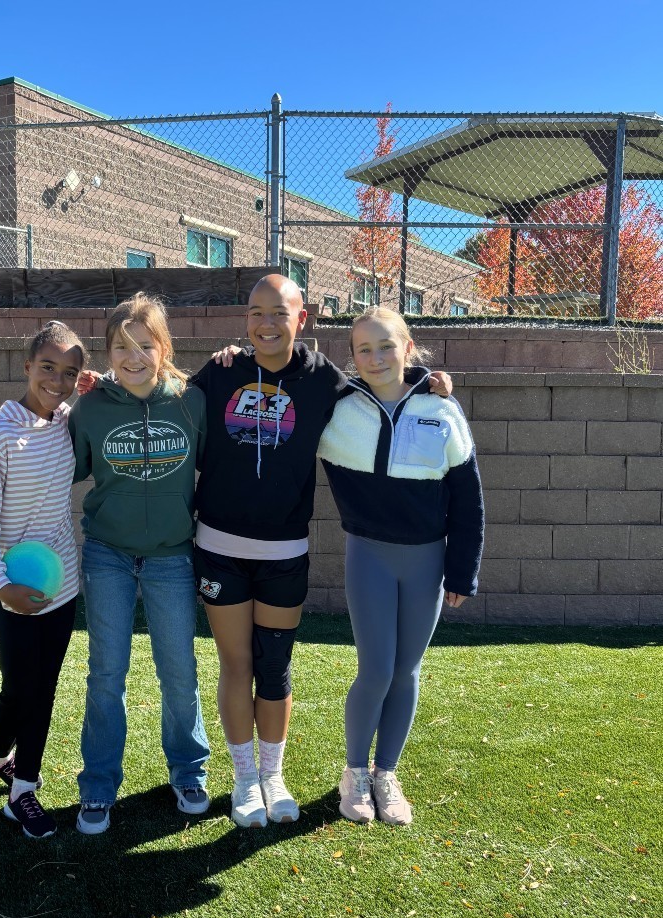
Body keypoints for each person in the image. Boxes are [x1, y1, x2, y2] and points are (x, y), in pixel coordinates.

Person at [192, 274, 453, 828]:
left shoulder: (321, 378)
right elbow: (167, 396)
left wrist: (429, 379)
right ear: (245, 320)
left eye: (279, 312)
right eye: (257, 312)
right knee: (235, 664)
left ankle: (273, 777)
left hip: (285, 549)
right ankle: (243, 780)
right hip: (218, 547)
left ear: (301, 318)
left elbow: (381, 385)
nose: (267, 323)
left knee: (276, 668)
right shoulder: (221, 372)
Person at [318, 306, 484, 825]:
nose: (375, 357)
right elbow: (287, 379)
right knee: (375, 670)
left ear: (408, 348)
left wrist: (462, 570)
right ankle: (354, 773)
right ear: (352, 357)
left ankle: (386, 771)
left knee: (407, 671)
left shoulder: (442, 408)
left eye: (386, 345)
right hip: (368, 554)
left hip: (428, 563)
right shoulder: (338, 405)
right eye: (363, 349)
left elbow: (468, 497)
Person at [69, 292, 210, 835]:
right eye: (120, 348)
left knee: (178, 673)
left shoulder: (189, 403)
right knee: (106, 674)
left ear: (163, 348)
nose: (132, 358)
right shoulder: (92, 405)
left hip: (172, 557)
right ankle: (99, 786)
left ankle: (189, 770)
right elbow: (60, 459)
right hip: (107, 554)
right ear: (106, 353)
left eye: (144, 346)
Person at [0, 321, 87, 839]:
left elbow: (95, 399)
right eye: (47, 368)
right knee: (19, 688)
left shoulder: (66, 422)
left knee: (45, 689)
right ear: (26, 367)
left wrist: (92, 384)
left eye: (69, 372)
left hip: (62, 588)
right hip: (11, 591)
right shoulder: (0, 437)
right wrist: (1, 585)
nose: (57, 381)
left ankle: (24, 790)